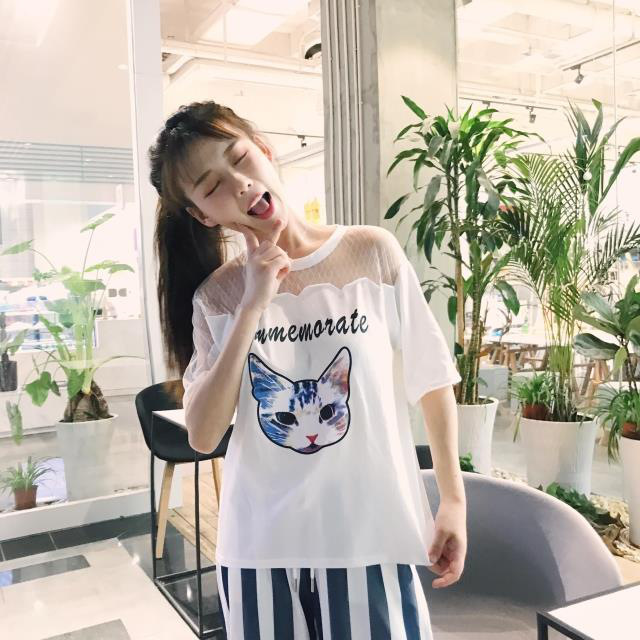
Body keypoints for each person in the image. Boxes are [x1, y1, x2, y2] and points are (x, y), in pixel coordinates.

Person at [149, 101, 467, 639]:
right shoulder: (217, 299)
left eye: (239, 159)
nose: (240, 184)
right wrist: (252, 304)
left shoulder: (372, 252)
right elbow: (203, 435)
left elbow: (432, 379)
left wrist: (453, 500)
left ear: (265, 151)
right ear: (204, 215)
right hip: (260, 552)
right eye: (213, 186)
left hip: (370, 538)